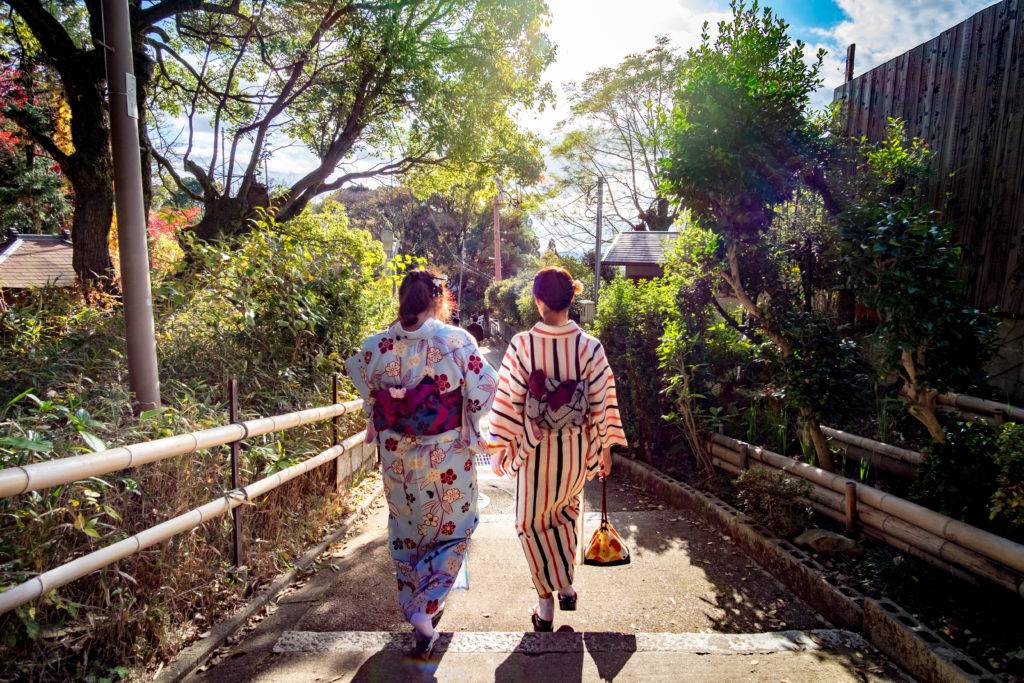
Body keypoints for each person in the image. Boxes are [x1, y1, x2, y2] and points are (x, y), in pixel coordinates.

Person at [345, 269, 498, 656]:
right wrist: (469, 416)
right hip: (445, 451)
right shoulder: (456, 341)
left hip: (397, 457)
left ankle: (418, 607)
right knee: (455, 527)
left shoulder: (375, 346)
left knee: (407, 530)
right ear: (439, 300)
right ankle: (425, 608)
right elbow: (485, 387)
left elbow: (364, 385)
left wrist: (389, 403)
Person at [486, 266, 628, 631]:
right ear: (571, 300)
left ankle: (545, 603)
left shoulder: (523, 344)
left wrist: (503, 442)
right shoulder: (590, 347)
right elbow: (601, 400)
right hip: (576, 448)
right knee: (565, 515)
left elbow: (510, 398)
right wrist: (605, 448)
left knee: (529, 523)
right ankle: (565, 584)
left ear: (538, 302)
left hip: (535, 449)